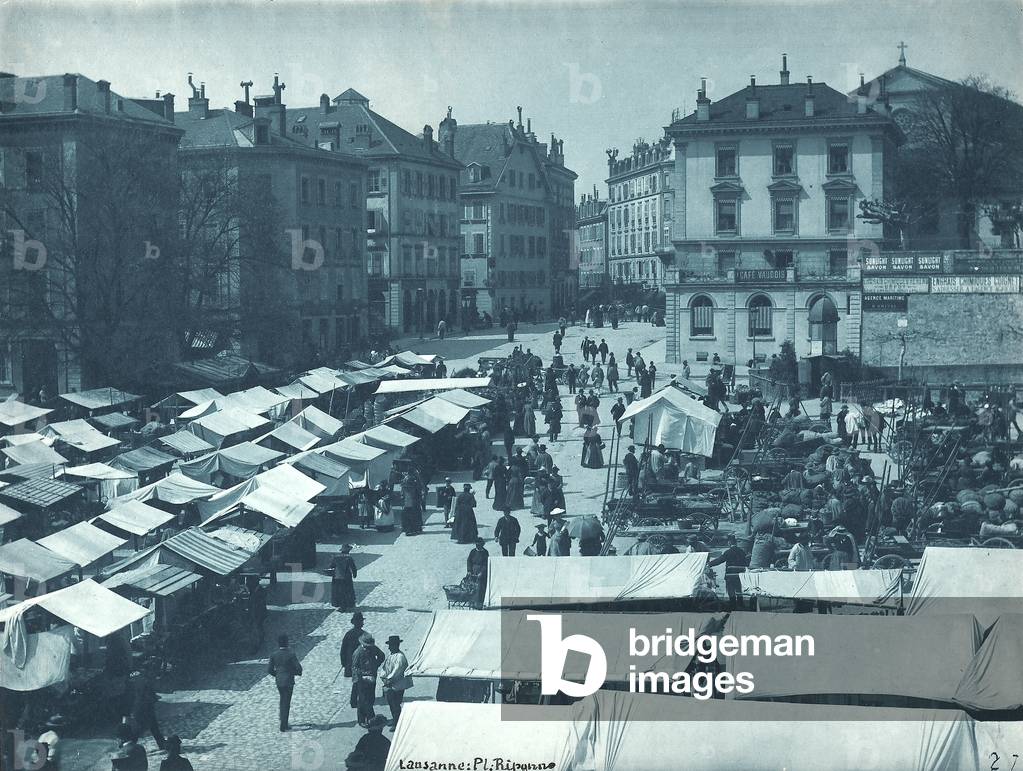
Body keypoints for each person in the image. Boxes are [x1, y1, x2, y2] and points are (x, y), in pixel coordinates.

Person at [268, 634, 303, 731]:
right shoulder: (291, 654)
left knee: (282, 700)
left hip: (279, 681)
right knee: (286, 702)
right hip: (288, 681)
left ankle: (283, 720)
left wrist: (278, 675)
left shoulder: (274, 655)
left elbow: (269, 670)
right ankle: (284, 725)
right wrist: (294, 673)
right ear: (287, 642)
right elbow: (299, 668)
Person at [352, 633, 385, 727]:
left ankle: (369, 717)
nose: (369, 648)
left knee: (371, 698)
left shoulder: (373, 648)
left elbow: (381, 656)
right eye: (367, 646)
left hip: (372, 677)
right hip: (362, 680)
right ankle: (363, 719)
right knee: (363, 700)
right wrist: (362, 677)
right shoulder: (358, 652)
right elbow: (354, 667)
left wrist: (375, 665)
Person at [707, 534, 748, 609]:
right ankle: (740, 604)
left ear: (729, 543)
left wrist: (709, 564)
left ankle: (733, 605)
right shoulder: (742, 552)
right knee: (738, 590)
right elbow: (746, 563)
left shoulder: (728, 552)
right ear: (736, 543)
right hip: (739, 575)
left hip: (730, 576)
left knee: (731, 590)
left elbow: (719, 560)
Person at [129, 665, 165, 750]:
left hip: (139, 708)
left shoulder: (134, 681)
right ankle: (130, 745)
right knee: (142, 729)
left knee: (151, 727)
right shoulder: (146, 681)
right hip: (146, 708)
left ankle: (161, 743)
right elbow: (151, 696)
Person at [380, 636, 411, 728]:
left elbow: (397, 671)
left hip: (398, 684)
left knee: (396, 704)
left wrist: (389, 679)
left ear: (395, 645)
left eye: (390, 645)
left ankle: (397, 722)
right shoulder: (391, 656)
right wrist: (384, 677)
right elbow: (384, 668)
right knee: (391, 703)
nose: (389, 647)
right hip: (390, 683)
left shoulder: (400, 657)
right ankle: (395, 719)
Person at [341, 613, 366, 709]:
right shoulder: (364, 635)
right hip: (361, 663)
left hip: (351, 663)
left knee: (356, 681)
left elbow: (343, 650)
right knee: (359, 682)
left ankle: (354, 700)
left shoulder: (348, 634)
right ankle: (354, 701)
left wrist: (344, 663)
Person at [330, 544, 358, 610]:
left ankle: (340, 604)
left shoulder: (336, 557)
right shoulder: (349, 557)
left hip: (337, 576)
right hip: (346, 576)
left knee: (338, 591)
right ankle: (348, 604)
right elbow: (353, 567)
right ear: (348, 550)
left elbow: (331, 566)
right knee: (347, 590)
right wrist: (354, 574)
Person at [467, 539, 490, 607]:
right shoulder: (473, 551)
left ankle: (479, 604)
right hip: (473, 571)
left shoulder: (485, 552)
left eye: (479, 545)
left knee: (480, 588)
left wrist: (482, 572)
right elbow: (469, 561)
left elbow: (486, 564)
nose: (478, 546)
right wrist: (469, 570)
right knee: (471, 587)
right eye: (477, 545)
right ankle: (471, 602)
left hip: (481, 572)